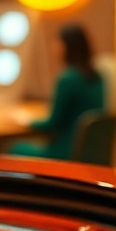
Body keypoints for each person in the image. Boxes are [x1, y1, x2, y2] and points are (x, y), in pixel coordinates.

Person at [11, 24, 106, 160]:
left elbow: (52, 124)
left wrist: (24, 121)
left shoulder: (67, 79)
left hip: (66, 152)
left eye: (57, 42)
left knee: (15, 148)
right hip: (90, 153)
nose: (54, 47)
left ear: (67, 46)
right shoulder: (97, 77)